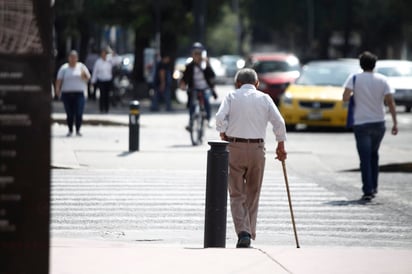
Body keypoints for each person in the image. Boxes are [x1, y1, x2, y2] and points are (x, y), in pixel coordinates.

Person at [215, 68, 287, 248]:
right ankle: (248, 231)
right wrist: (280, 145)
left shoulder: (231, 96)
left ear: (237, 83)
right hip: (257, 149)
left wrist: (223, 131)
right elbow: (279, 122)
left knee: (236, 194)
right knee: (253, 193)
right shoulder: (265, 98)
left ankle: (243, 232)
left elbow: (219, 117)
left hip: (234, 148)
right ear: (257, 84)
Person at [343, 51, 398, 202]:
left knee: (365, 157)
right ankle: (374, 187)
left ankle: (368, 190)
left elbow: (345, 97)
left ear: (361, 64)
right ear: (375, 64)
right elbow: (390, 102)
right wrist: (395, 123)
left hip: (361, 124)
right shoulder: (382, 80)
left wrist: (356, 94)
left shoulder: (354, 79)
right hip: (379, 123)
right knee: (374, 154)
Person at [180, 42, 218, 129]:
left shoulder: (205, 65)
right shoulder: (190, 66)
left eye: (199, 53)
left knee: (206, 100)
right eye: (195, 53)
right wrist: (183, 85)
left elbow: (212, 75)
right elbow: (185, 77)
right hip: (194, 88)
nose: (197, 56)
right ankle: (191, 122)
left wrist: (207, 64)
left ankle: (208, 118)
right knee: (192, 104)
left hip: (205, 87)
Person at [55, 50, 90, 137]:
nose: (73, 59)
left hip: (79, 94)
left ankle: (78, 129)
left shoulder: (81, 67)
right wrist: (57, 90)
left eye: (75, 57)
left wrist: (84, 75)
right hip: (67, 94)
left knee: (79, 113)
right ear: (69, 58)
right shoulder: (64, 68)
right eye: (71, 57)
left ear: (77, 58)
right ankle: (70, 129)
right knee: (69, 113)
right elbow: (59, 80)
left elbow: (88, 78)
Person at [91, 47, 114, 113]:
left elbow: (117, 59)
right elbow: (95, 71)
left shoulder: (110, 60)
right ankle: (101, 108)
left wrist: (111, 51)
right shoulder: (98, 62)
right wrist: (93, 80)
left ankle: (107, 109)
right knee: (102, 95)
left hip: (108, 80)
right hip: (101, 80)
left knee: (107, 95)